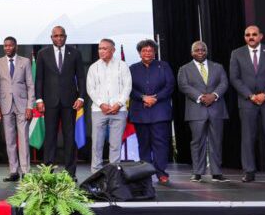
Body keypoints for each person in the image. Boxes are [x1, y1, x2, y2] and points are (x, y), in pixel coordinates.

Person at [229, 25, 265, 183]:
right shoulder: (236, 53)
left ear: (260, 36)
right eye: (247, 35)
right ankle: (249, 171)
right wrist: (250, 95)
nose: (251, 37)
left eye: (254, 34)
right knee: (248, 137)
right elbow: (234, 78)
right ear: (244, 37)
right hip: (248, 101)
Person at [34, 26, 87, 180]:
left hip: (70, 102)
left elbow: (81, 77)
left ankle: (70, 173)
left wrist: (81, 97)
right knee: (50, 137)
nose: (59, 38)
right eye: (56, 36)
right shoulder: (43, 53)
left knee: (70, 137)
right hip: (49, 102)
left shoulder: (75, 53)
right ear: (51, 37)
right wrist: (39, 99)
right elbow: (39, 78)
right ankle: (47, 173)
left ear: (66, 36)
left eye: (61, 35)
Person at [177, 41, 229, 182]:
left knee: (216, 141)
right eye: (197, 50)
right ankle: (197, 172)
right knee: (197, 142)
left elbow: (224, 83)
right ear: (192, 52)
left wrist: (214, 96)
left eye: (203, 50)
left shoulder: (218, 67)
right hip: (196, 109)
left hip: (216, 109)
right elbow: (183, 86)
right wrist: (200, 97)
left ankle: (216, 172)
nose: (200, 52)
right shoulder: (184, 69)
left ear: (206, 51)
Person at [128, 39, 176, 185]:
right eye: (144, 50)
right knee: (143, 145)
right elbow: (128, 88)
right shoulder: (132, 68)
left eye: (150, 50)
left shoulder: (164, 66)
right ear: (139, 53)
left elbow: (170, 85)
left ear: (155, 52)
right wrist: (143, 97)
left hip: (160, 112)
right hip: (140, 112)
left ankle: (161, 173)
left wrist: (155, 98)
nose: (147, 53)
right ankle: (146, 173)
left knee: (160, 144)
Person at [0, 36, 34, 182]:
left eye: (10, 45)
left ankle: (26, 171)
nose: (8, 48)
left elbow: (30, 85)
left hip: (22, 105)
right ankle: (13, 171)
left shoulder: (25, 61)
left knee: (23, 139)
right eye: (5, 46)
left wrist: (30, 106)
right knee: (9, 140)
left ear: (16, 46)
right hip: (5, 105)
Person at [86, 39, 131, 175]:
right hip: (99, 110)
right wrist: (101, 104)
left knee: (115, 145)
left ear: (113, 50)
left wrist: (119, 104)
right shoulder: (93, 67)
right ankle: (96, 174)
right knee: (97, 144)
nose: (101, 51)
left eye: (105, 48)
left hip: (119, 111)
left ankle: (113, 174)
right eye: (100, 48)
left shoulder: (122, 66)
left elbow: (127, 86)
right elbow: (90, 89)